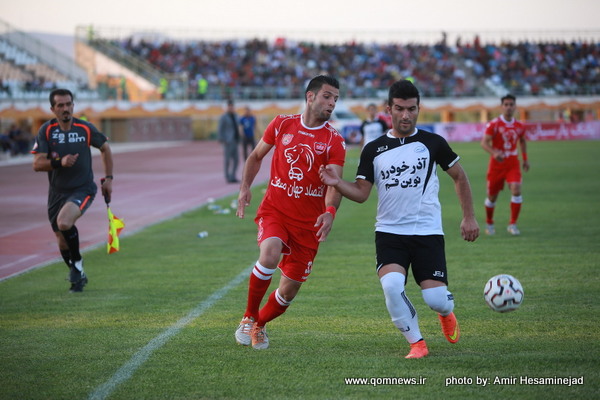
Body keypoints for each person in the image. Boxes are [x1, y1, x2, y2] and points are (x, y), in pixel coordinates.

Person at [319, 80, 479, 359]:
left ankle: (446, 312)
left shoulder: (433, 143)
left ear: (418, 109)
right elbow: (361, 193)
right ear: (388, 109)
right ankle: (417, 343)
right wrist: (337, 183)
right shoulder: (373, 149)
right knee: (392, 287)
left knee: (436, 300)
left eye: (411, 109)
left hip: (428, 232)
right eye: (400, 109)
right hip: (390, 232)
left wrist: (469, 217)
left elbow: (459, 176)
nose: (406, 115)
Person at [234, 75, 346, 350]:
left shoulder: (334, 140)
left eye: (335, 99)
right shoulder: (282, 123)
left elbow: (335, 183)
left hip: (308, 224)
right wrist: (245, 187)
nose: (332, 103)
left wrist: (330, 211)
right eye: (327, 96)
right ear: (310, 96)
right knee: (269, 253)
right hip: (276, 211)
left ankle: (259, 325)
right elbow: (255, 156)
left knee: (289, 290)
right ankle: (248, 317)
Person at [32, 88, 114, 293]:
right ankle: (78, 277)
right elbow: (37, 164)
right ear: (53, 109)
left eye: (69, 104)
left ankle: (77, 263)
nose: (65, 108)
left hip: (82, 188)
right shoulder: (46, 131)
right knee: (62, 241)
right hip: (56, 192)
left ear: (73, 106)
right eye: (60, 105)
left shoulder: (85, 128)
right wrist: (60, 162)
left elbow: (105, 148)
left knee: (64, 222)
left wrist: (109, 179)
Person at [480, 94, 529, 236]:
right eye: (506, 105)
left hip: (512, 163)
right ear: (502, 107)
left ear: (515, 106)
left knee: (516, 189)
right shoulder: (494, 124)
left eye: (511, 104)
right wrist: (494, 153)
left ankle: (513, 224)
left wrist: (525, 159)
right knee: (492, 197)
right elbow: (484, 143)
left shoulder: (519, 126)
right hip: (496, 165)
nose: (508, 107)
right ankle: (489, 223)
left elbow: (522, 141)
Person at [218, 99, 241, 183]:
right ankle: (227, 176)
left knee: (236, 160)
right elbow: (220, 128)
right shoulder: (223, 117)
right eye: (229, 106)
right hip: (228, 141)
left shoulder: (236, 116)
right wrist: (222, 139)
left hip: (235, 140)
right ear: (227, 107)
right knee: (227, 160)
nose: (231, 108)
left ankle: (233, 176)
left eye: (232, 106)